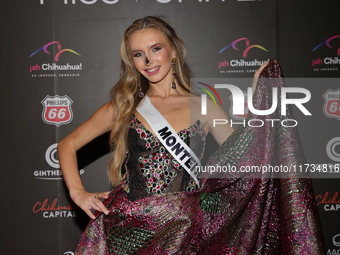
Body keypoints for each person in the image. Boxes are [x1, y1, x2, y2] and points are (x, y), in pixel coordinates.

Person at [58, 16, 325, 254]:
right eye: (138, 54)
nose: (148, 60)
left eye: (155, 49)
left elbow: (244, 160)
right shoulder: (124, 105)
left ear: (173, 52)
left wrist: (260, 103)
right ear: (131, 60)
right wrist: (77, 192)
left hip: (183, 233)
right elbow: (67, 144)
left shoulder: (204, 106)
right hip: (128, 229)